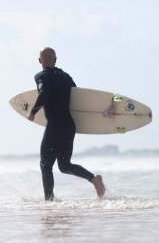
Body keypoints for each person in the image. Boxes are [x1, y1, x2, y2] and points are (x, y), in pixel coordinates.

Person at [27, 47, 105, 201]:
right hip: (69, 125)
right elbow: (77, 97)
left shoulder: (41, 76)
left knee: (45, 165)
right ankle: (93, 178)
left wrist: (33, 112)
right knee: (64, 165)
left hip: (55, 125)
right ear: (55, 60)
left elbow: (43, 94)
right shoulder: (65, 76)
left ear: (39, 60)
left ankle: (49, 201)